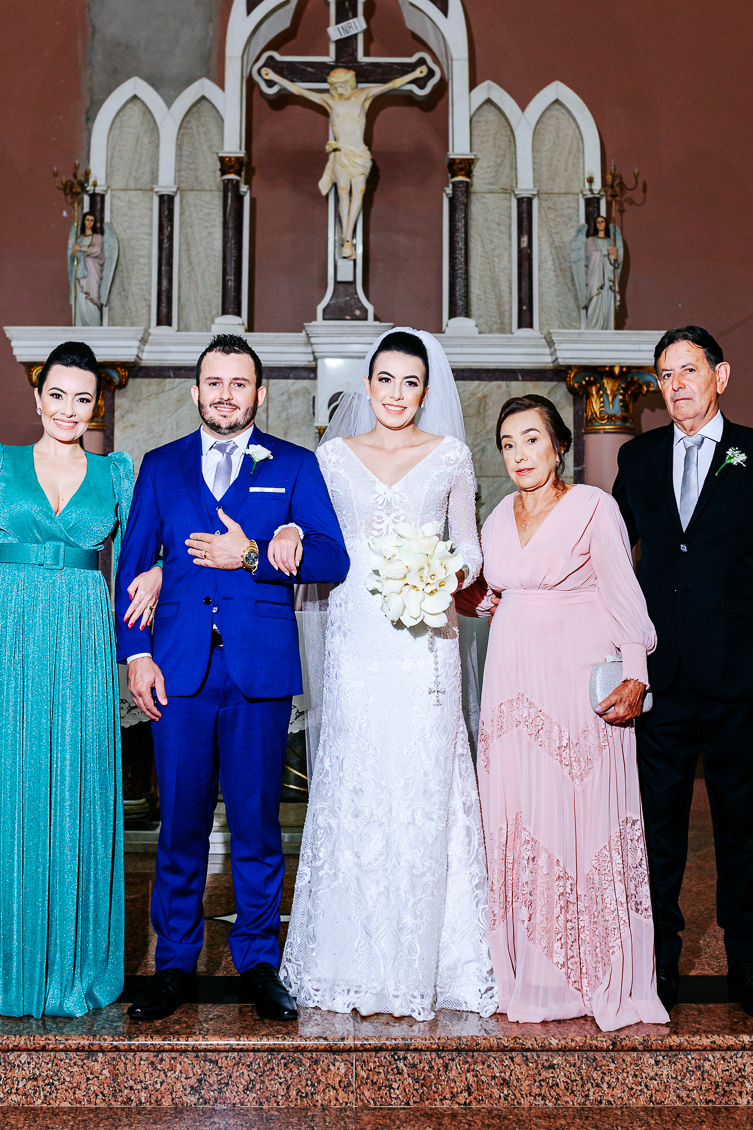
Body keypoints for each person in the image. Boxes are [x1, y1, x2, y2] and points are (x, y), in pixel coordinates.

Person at [116, 333, 349, 1023]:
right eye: (213, 382)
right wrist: (137, 655)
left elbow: (333, 559)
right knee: (180, 828)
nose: (225, 394)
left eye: (238, 383)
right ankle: (172, 964)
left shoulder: (294, 465)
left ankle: (257, 963)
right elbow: (133, 566)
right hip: (178, 671)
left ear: (260, 393)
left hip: (259, 672)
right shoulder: (160, 466)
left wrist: (257, 551)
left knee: (256, 827)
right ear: (195, 391)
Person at [280, 328, 497, 1020]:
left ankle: (430, 961)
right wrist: (289, 532)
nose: (397, 394)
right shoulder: (332, 458)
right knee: (357, 777)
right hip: (358, 640)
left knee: (423, 780)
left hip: (423, 642)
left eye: (410, 383)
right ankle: (346, 960)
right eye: (385, 380)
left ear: (425, 391)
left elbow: (469, 547)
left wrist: (443, 571)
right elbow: (314, 536)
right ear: (367, 385)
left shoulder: (450, 456)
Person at [0, 341, 143, 1018]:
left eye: (82, 398)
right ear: (37, 397)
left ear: (96, 405)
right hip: (5, 640)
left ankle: (71, 968)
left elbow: (139, 555)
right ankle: (5, 967)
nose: (68, 410)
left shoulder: (116, 474)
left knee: (78, 789)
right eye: (57, 395)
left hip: (81, 647)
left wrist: (157, 574)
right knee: (8, 789)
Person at [458, 394, 667, 1031]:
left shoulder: (593, 507)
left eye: (532, 439)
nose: (520, 454)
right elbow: (494, 597)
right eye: (508, 444)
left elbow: (623, 594)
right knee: (519, 817)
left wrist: (636, 674)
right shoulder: (496, 518)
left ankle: (591, 973)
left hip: (576, 687)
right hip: (510, 690)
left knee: (577, 816)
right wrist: (459, 593)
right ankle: (528, 973)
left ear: (559, 446)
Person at [612, 326, 753, 1020]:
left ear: (720, 376)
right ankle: (660, 961)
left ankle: (747, 967)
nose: (676, 385)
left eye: (688, 370)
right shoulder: (637, 457)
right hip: (659, 675)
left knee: (742, 827)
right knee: (657, 827)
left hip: (738, 671)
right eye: (665, 375)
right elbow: (610, 553)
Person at [259, 63, 427, 258]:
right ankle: (346, 242)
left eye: (342, 86)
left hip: (359, 155)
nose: (339, 91)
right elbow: (300, 91)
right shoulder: (329, 100)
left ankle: (348, 238)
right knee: (343, 192)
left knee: (359, 194)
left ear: (350, 83)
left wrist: (415, 74)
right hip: (340, 153)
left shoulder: (363, 96)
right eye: (336, 87)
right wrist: (275, 77)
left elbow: (392, 85)